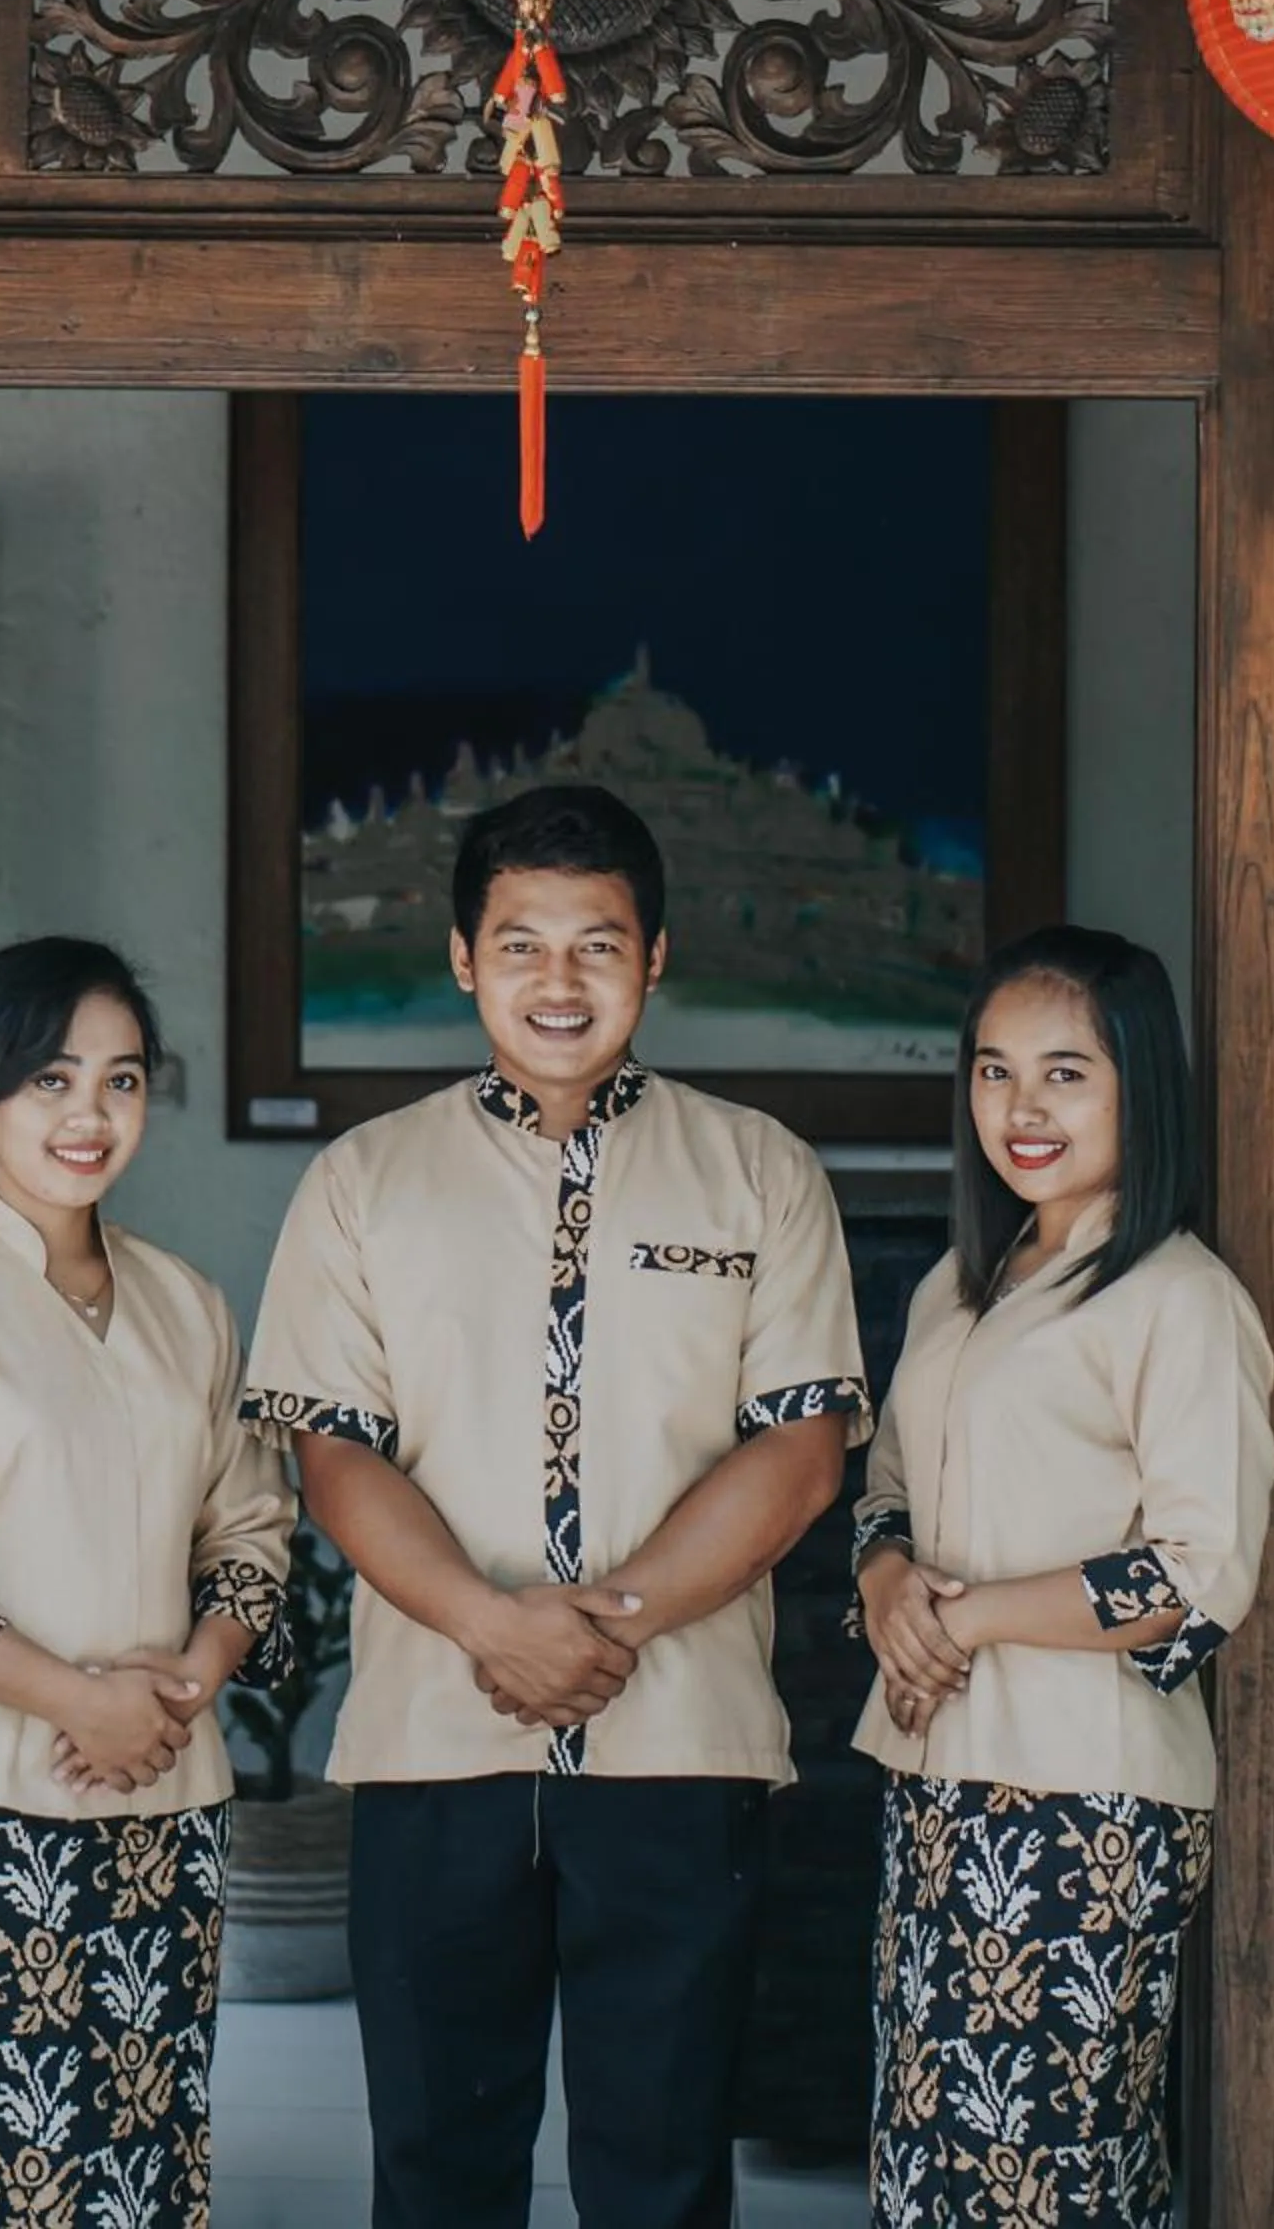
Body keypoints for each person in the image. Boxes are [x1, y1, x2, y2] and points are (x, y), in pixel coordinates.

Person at [243, 782, 869, 2229]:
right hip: (430, 1752)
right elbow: (334, 1455)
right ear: (462, 958)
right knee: (439, 2173)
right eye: (521, 944)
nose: (559, 981)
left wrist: (607, 1625)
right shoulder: (364, 1182)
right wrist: (489, 1627)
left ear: (657, 960)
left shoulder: (759, 1172)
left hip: (683, 1748)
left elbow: (801, 1453)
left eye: (598, 945)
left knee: (658, 2174)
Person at [0, 936, 294, 2229]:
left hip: (164, 1807)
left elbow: (254, 1530)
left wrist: (184, 1685)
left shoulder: (188, 1307)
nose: (89, 1116)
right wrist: (76, 1702)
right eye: (50, 1080)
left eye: (122, 1081)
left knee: (147, 2169)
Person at [852, 925, 1274, 2229]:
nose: (1020, 1108)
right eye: (992, 1071)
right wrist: (883, 1583)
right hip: (939, 1786)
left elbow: (1201, 1572)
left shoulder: (1178, 1298)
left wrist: (968, 1615)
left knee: (1052, 2174)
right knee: (933, 2169)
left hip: (1087, 1803)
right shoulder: (957, 1285)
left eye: (1065, 1073)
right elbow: (888, 1489)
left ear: (1141, 1084)